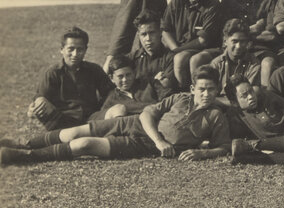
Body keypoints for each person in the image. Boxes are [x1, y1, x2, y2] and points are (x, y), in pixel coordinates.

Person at [2, 66, 230, 165]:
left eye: (211, 89)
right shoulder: (181, 98)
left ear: (217, 89)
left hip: (141, 144)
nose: (206, 94)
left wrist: (203, 154)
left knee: (83, 144)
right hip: (136, 124)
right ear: (193, 89)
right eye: (201, 89)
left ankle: (25, 156)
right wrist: (159, 139)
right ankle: (22, 144)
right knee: (73, 131)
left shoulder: (216, 116)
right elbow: (147, 114)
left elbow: (224, 147)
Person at [27, 27, 113, 130]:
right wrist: (33, 108)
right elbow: (40, 99)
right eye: (71, 49)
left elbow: (111, 93)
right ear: (62, 50)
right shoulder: (53, 73)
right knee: (40, 101)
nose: (75, 54)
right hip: (63, 122)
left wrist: (102, 109)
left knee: (118, 109)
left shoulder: (94, 69)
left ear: (86, 50)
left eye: (80, 49)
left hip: (92, 119)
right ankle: (59, 136)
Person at [161, 0, 223, 89]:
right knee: (177, 59)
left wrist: (177, 51)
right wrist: (175, 48)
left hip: (209, 48)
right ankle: (183, 91)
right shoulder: (177, 0)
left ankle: (194, 92)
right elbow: (165, 29)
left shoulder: (212, 4)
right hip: (181, 47)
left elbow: (203, 40)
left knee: (192, 59)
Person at [220, 0, 280, 84]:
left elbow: (271, 35)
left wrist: (241, 33)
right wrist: (255, 28)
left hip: (261, 48)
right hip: (234, 47)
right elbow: (226, 32)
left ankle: (266, 99)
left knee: (268, 63)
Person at [128, 10, 177, 102]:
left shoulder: (170, 58)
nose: (148, 39)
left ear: (160, 32)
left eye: (152, 33)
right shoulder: (132, 58)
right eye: (143, 34)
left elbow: (166, 87)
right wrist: (155, 80)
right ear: (138, 35)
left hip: (160, 105)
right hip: (135, 104)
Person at [210, 19, 262, 98]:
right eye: (234, 41)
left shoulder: (254, 64)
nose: (238, 46)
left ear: (248, 42)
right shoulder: (216, 64)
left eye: (243, 41)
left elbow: (247, 97)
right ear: (225, 41)